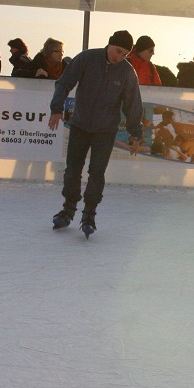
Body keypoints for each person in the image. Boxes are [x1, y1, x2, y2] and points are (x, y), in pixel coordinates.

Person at [47, 30, 143, 236]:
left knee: (96, 172)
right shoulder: (87, 59)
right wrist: (56, 109)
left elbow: (133, 105)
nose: (120, 57)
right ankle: (68, 209)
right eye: (118, 51)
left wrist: (135, 134)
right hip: (80, 125)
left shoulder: (127, 72)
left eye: (125, 54)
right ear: (109, 45)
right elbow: (64, 83)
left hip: (105, 130)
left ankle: (89, 213)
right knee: (73, 169)